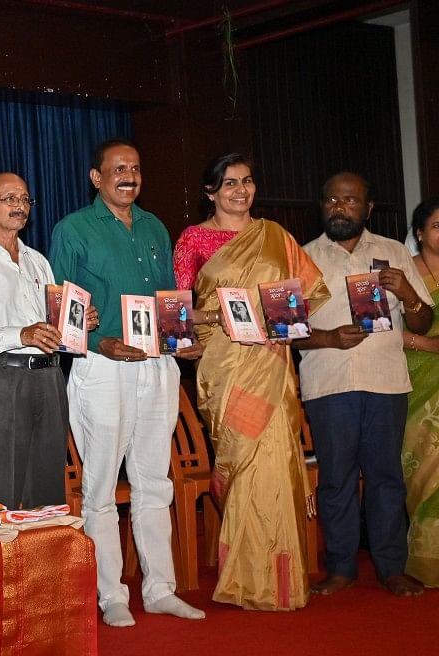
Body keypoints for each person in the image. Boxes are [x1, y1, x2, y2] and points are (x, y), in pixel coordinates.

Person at [49, 138, 205, 627]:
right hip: (102, 369)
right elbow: (61, 311)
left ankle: (160, 589)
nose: (128, 176)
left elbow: (167, 302)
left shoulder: (156, 226)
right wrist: (99, 344)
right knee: (98, 486)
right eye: (118, 169)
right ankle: (111, 595)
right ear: (97, 178)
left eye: (135, 168)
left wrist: (182, 337)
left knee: (154, 481)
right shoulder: (72, 229)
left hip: (157, 366)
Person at [171, 152, 329, 611]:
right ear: (211, 192)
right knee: (240, 462)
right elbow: (179, 311)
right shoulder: (193, 240)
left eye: (248, 181)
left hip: (271, 364)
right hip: (223, 366)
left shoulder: (276, 237)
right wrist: (213, 316)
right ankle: (245, 578)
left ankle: (277, 582)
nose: (241, 191)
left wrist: (283, 323)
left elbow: (305, 296)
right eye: (230, 184)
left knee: (274, 462)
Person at [296, 172, 433, 598]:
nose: (339, 207)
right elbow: (286, 329)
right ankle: (340, 568)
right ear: (322, 204)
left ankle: (391, 567)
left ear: (368, 208)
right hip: (329, 382)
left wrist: (409, 293)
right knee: (335, 479)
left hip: (386, 382)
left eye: (350, 200)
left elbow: (423, 320)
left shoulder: (394, 252)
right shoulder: (301, 257)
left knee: (386, 477)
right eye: (332, 200)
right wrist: (329, 338)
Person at [0, 172, 99, 509]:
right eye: (11, 199)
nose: (20, 206)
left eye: (25, 200)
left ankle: (45, 562)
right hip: (1, 379)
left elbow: (51, 326)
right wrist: (21, 334)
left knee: (48, 495)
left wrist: (78, 321)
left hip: (49, 378)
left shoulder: (38, 261)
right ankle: (4, 561)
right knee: (2, 493)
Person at [402, 197, 439, 586]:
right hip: (419, 382)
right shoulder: (405, 274)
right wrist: (427, 345)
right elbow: (383, 330)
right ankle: (430, 560)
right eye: (437, 225)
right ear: (419, 233)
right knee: (429, 473)